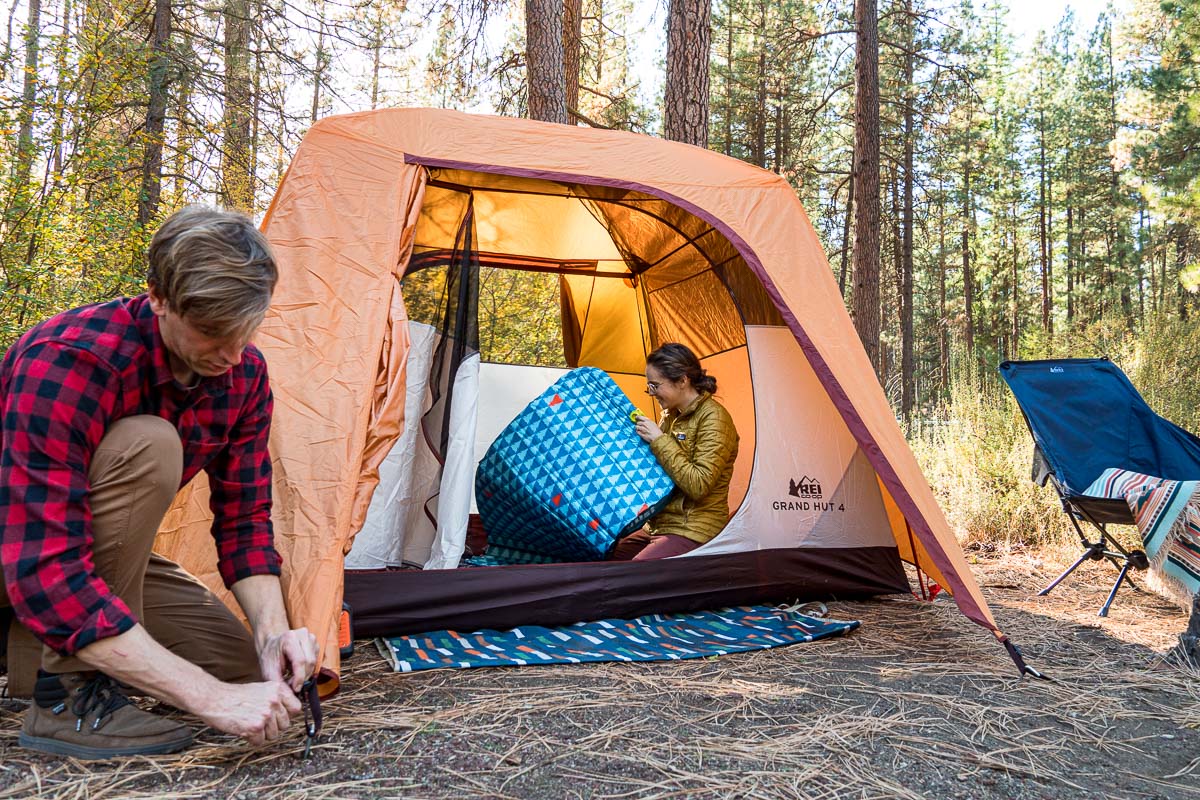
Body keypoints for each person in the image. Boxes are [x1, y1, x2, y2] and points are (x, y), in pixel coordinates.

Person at [0, 206, 318, 760]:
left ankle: (37, 651)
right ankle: (66, 697)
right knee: (150, 444)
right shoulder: (70, 360)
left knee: (246, 672)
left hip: (80, 551)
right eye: (211, 333)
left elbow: (245, 521)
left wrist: (274, 637)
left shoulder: (243, 375)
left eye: (245, 331)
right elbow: (43, 561)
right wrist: (208, 698)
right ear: (158, 298)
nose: (231, 354)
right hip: (23, 547)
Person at [610, 342, 739, 561]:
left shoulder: (715, 419)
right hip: (659, 525)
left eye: (655, 385)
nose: (651, 393)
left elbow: (699, 485)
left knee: (633, 575)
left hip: (694, 527)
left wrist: (659, 440)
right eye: (648, 386)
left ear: (682, 380)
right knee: (606, 560)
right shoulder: (670, 416)